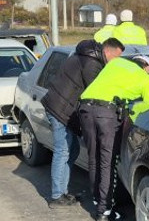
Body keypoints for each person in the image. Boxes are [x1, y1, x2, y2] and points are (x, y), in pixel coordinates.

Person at [77, 39, 149, 221]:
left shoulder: (116, 63)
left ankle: (97, 201)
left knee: (94, 158)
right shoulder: (146, 79)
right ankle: (104, 211)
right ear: (146, 68)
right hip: (107, 114)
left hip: (85, 109)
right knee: (107, 162)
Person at [40, 39, 107, 207]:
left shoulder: (81, 56)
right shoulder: (91, 64)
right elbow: (96, 91)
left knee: (73, 150)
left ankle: (62, 191)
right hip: (59, 110)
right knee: (62, 151)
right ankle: (56, 196)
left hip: (61, 107)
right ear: (107, 51)